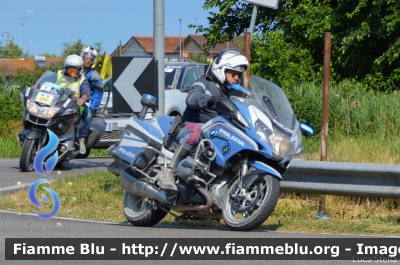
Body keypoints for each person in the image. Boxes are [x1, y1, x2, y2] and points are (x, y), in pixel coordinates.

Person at [158, 48, 249, 192]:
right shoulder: (204, 82)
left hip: (212, 134)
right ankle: (169, 172)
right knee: (200, 129)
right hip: (189, 127)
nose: (237, 78)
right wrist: (210, 100)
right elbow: (192, 97)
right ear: (221, 70)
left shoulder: (229, 95)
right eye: (234, 74)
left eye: (238, 75)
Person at [57, 54, 91, 154]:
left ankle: (81, 139)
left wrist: (82, 99)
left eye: (74, 68)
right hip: (58, 104)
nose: (71, 69)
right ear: (65, 67)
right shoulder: (59, 75)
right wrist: (37, 86)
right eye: (69, 67)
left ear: (79, 69)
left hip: (75, 105)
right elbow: (47, 81)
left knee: (88, 116)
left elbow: (86, 92)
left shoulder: (82, 80)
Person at [79, 47, 103, 153]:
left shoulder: (94, 75)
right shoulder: (74, 69)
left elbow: (98, 93)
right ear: (82, 57)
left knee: (88, 116)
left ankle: (82, 139)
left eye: (91, 59)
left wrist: (93, 107)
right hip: (68, 99)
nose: (88, 61)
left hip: (85, 101)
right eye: (86, 58)